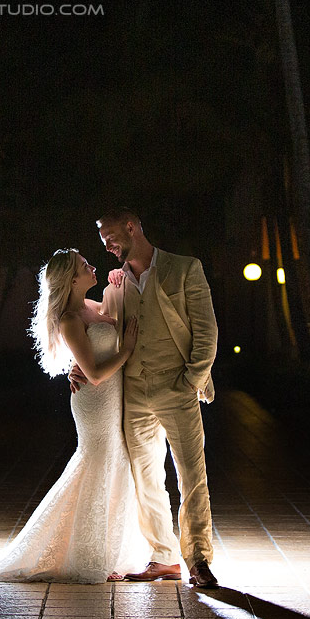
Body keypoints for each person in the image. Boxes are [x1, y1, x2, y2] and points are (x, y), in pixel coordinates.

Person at [0, 249, 149, 583]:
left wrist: (117, 283)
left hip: (115, 402)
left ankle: (110, 550)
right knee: (96, 467)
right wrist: (124, 350)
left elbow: (117, 318)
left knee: (115, 466)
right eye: (85, 266)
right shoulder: (70, 319)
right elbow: (94, 373)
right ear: (71, 278)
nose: (92, 266)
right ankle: (89, 556)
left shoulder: (93, 306)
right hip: (95, 403)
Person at [71, 208, 219, 588]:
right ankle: (164, 557)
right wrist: (80, 363)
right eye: (103, 241)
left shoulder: (185, 269)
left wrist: (191, 381)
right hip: (134, 391)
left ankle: (198, 558)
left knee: (191, 475)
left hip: (177, 386)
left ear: (132, 227)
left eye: (110, 237)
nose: (106, 247)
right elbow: (92, 322)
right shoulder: (116, 284)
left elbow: (206, 331)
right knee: (146, 478)